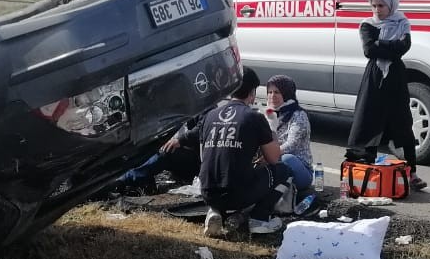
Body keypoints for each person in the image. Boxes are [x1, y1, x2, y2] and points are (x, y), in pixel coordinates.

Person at [345, 0, 426, 191]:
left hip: (396, 78)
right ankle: (367, 170)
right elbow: (369, 50)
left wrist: (382, 43)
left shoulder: (402, 22)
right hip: (375, 78)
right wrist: (390, 44)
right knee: (371, 120)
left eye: (381, 5)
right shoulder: (367, 25)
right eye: (374, 6)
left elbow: (403, 48)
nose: (377, 10)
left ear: (391, 5)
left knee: (403, 122)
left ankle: (412, 172)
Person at [199, 66, 284, 237]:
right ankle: (259, 219)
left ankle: (216, 212)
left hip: (207, 191)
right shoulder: (254, 117)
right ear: (252, 92)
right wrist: (272, 128)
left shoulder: (210, 115)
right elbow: (275, 158)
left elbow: (204, 157)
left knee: (228, 174)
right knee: (283, 171)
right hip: (236, 193)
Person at [264, 74, 317, 212]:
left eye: (277, 92)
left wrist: (270, 155)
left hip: (300, 169)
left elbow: (291, 144)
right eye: (269, 92)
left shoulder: (299, 115)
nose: (272, 96)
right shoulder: (267, 114)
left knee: (286, 158)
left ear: (287, 93)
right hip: (274, 161)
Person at [115, 114, 203, 194]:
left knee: (166, 152)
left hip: (195, 160)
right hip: (174, 155)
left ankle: (123, 180)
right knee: (147, 148)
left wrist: (181, 140)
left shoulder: (202, 102)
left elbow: (206, 126)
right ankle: (143, 184)